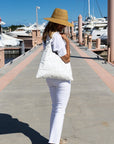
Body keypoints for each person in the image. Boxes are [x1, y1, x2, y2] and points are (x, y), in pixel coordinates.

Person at [42, 8, 73, 144]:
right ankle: (53, 142)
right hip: (61, 77)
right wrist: (68, 43)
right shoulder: (58, 37)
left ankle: (54, 138)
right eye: (64, 24)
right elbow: (66, 59)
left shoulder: (47, 36)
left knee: (55, 109)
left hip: (50, 76)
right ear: (60, 24)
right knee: (60, 111)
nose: (65, 26)